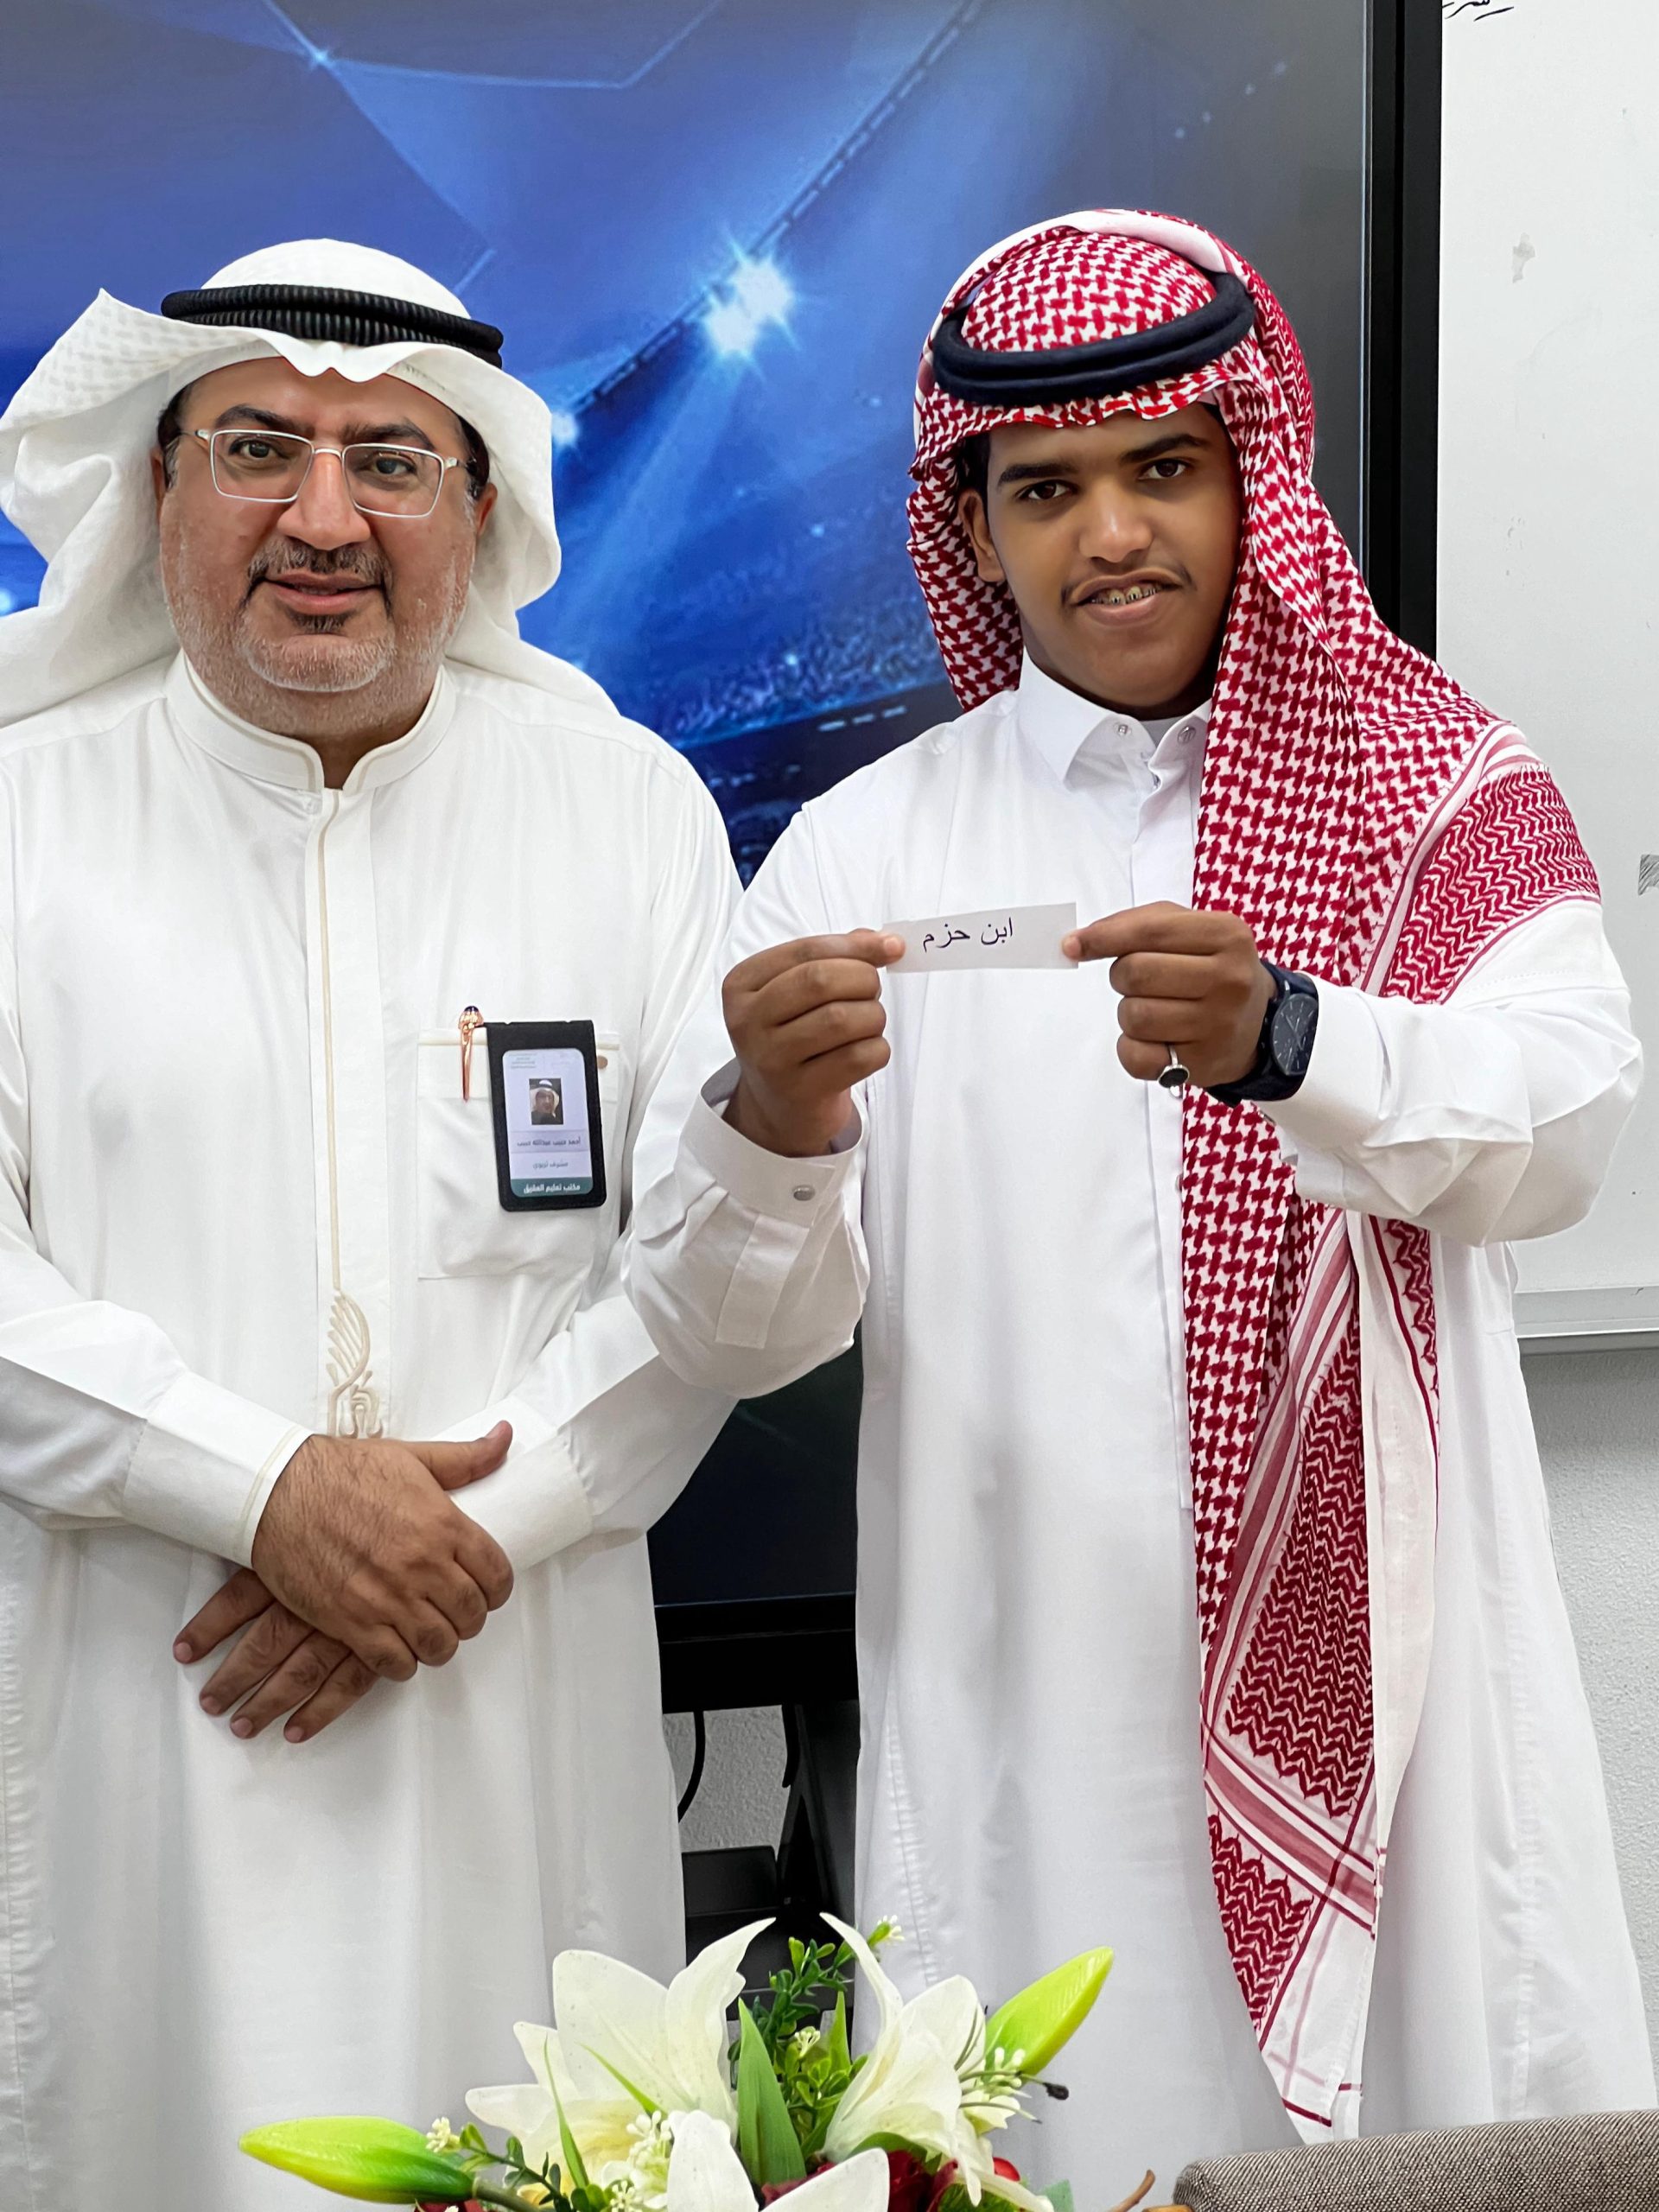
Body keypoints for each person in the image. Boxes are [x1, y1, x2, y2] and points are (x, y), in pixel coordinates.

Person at [628, 212, 1654, 2186]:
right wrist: (770, 1120)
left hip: (1399, 1705)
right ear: (976, 521)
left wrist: (1300, 1035)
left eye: (1163, 467)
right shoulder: (863, 850)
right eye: (1047, 488)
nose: (1110, 534)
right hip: (1030, 1695)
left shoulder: (1440, 787)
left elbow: (1571, 1121)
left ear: (1251, 467)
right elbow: (740, 1328)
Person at [0, 239, 737, 2208]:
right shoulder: (18, 813)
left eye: (391, 461)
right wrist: (260, 1492)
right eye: (258, 447)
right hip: (137, 1740)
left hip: (513, 1725)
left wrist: (462, 1533)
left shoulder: (632, 813)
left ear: (476, 510)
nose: (323, 518)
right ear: (157, 487)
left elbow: (714, 1286)